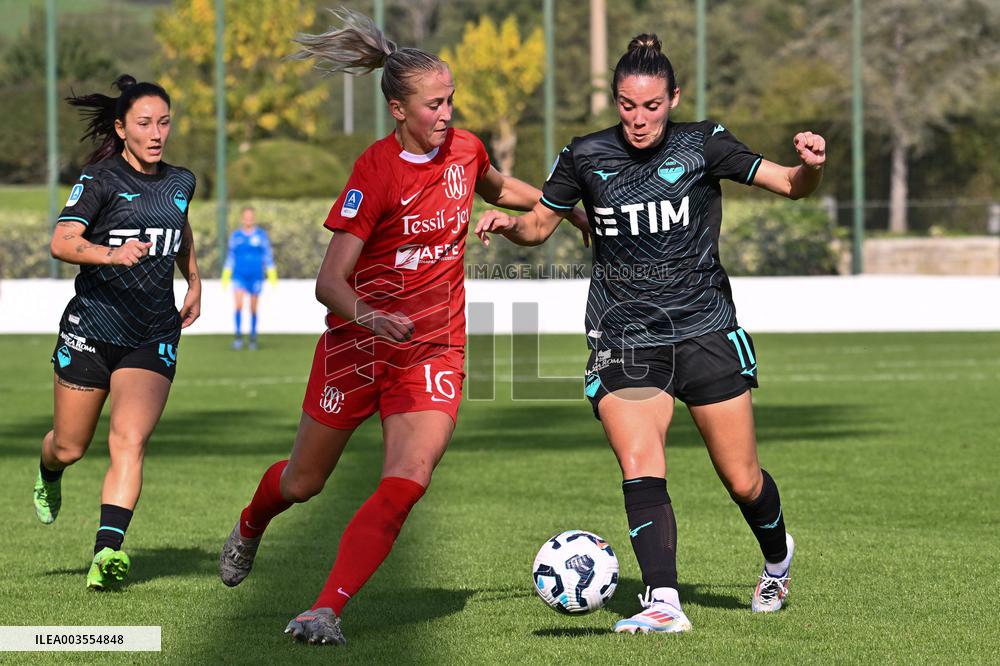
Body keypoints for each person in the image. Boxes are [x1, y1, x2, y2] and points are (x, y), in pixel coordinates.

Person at [217, 9, 585, 647]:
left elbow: (503, 189)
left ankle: (326, 608)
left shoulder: (466, 150)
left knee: (408, 477)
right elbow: (328, 284)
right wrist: (371, 316)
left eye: (451, 101)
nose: (447, 114)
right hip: (357, 347)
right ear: (398, 110)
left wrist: (572, 210)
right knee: (303, 483)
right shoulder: (375, 172)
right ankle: (251, 523)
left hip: (433, 349)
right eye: (434, 104)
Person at [476, 34, 826, 634]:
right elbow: (540, 227)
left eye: (652, 106)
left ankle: (776, 558)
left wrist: (810, 166)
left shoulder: (705, 144)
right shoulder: (585, 155)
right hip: (623, 333)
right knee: (641, 462)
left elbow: (791, 186)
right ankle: (663, 600)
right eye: (627, 105)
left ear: (674, 99)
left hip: (705, 328)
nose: (638, 120)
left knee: (743, 480)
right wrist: (510, 224)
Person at [34, 74, 201, 590]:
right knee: (69, 446)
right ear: (122, 128)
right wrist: (111, 253)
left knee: (128, 441)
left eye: (164, 122)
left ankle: (106, 555)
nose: (156, 133)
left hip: (152, 332)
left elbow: (179, 225)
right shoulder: (99, 180)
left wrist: (192, 280)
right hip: (92, 330)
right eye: (145, 123)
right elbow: (62, 242)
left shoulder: (182, 181)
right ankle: (49, 473)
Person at [222, 206, 277, 350]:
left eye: (251, 216)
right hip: (239, 275)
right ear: (242, 218)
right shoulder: (236, 236)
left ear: (254, 218)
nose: (248, 219)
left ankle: (253, 338)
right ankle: (238, 337)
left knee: (253, 308)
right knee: (239, 305)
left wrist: (272, 273)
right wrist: (226, 274)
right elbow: (231, 256)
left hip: (256, 276)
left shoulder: (261, 235)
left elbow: (267, 255)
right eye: (246, 216)